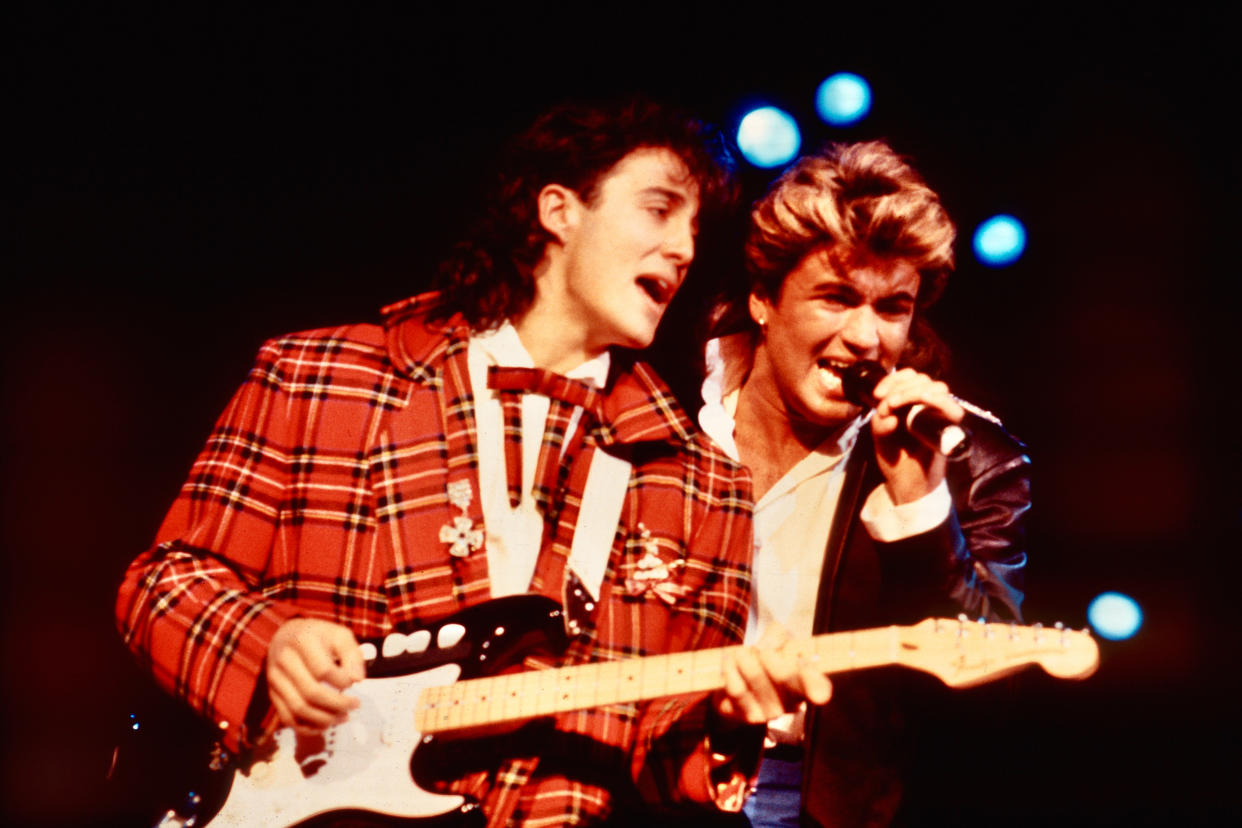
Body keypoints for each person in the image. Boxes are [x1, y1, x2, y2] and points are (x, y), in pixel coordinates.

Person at [115, 98, 766, 826]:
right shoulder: (319, 374)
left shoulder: (705, 484)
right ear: (558, 210)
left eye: (696, 229)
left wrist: (730, 723)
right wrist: (270, 647)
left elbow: (664, 762)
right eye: (659, 210)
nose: (683, 248)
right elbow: (161, 584)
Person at [696, 141, 1030, 827]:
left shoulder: (970, 458)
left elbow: (985, 702)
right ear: (763, 298)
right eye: (837, 297)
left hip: (825, 806)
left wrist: (919, 509)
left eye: (892, 308)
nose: (865, 337)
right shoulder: (660, 412)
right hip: (654, 780)